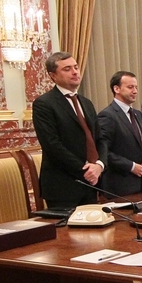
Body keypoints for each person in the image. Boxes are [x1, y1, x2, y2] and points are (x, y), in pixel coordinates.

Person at [31, 52, 103, 208]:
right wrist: (85, 170)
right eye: (67, 69)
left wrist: (99, 165)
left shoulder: (86, 103)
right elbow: (52, 145)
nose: (75, 72)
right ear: (53, 75)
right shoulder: (44, 104)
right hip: (63, 186)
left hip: (91, 183)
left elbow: (99, 139)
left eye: (76, 67)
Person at [97, 70, 142, 197]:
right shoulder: (107, 115)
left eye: (136, 87)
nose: (135, 91)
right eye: (130, 87)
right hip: (119, 185)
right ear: (116, 89)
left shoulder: (138, 115)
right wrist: (131, 166)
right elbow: (103, 151)